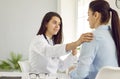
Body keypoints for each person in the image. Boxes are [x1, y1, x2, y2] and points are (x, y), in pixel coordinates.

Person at [29, 12, 93, 74]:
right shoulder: (37, 40)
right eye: (54, 23)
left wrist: (73, 55)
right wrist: (76, 43)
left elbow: (61, 67)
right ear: (46, 24)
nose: (57, 26)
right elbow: (48, 51)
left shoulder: (51, 43)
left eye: (59, 24)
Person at [70, 0, 120, 79]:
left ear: (96, 15)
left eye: (88, 15)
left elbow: (80, 75)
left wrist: (71, 72)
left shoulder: (91, 37)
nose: (87, 19)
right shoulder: (114, 36)